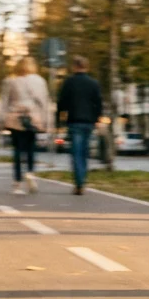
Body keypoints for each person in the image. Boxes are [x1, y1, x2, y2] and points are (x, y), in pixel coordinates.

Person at [0, 57, 50, 195]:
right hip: (32, 118)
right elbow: (44, 102)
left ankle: (17, 183)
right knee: (31, 147)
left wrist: (0, 119)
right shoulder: (39, 81)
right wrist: (45, 121)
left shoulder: (10, 81)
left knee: (17, 150)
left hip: (15, 118)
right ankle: (30, 173)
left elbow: (4, 101)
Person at [56, 56, 102, 195]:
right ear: (86, 67)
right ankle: (82, 180)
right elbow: (98, 103)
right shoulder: (93, 83)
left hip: (74, 121)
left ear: (75, 67)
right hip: (88, 122)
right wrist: (96, 119)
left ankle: (79, 183)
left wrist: (59, 120)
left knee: (76, 153)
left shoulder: (69, 83)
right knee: (84, 153)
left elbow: (61, 103)